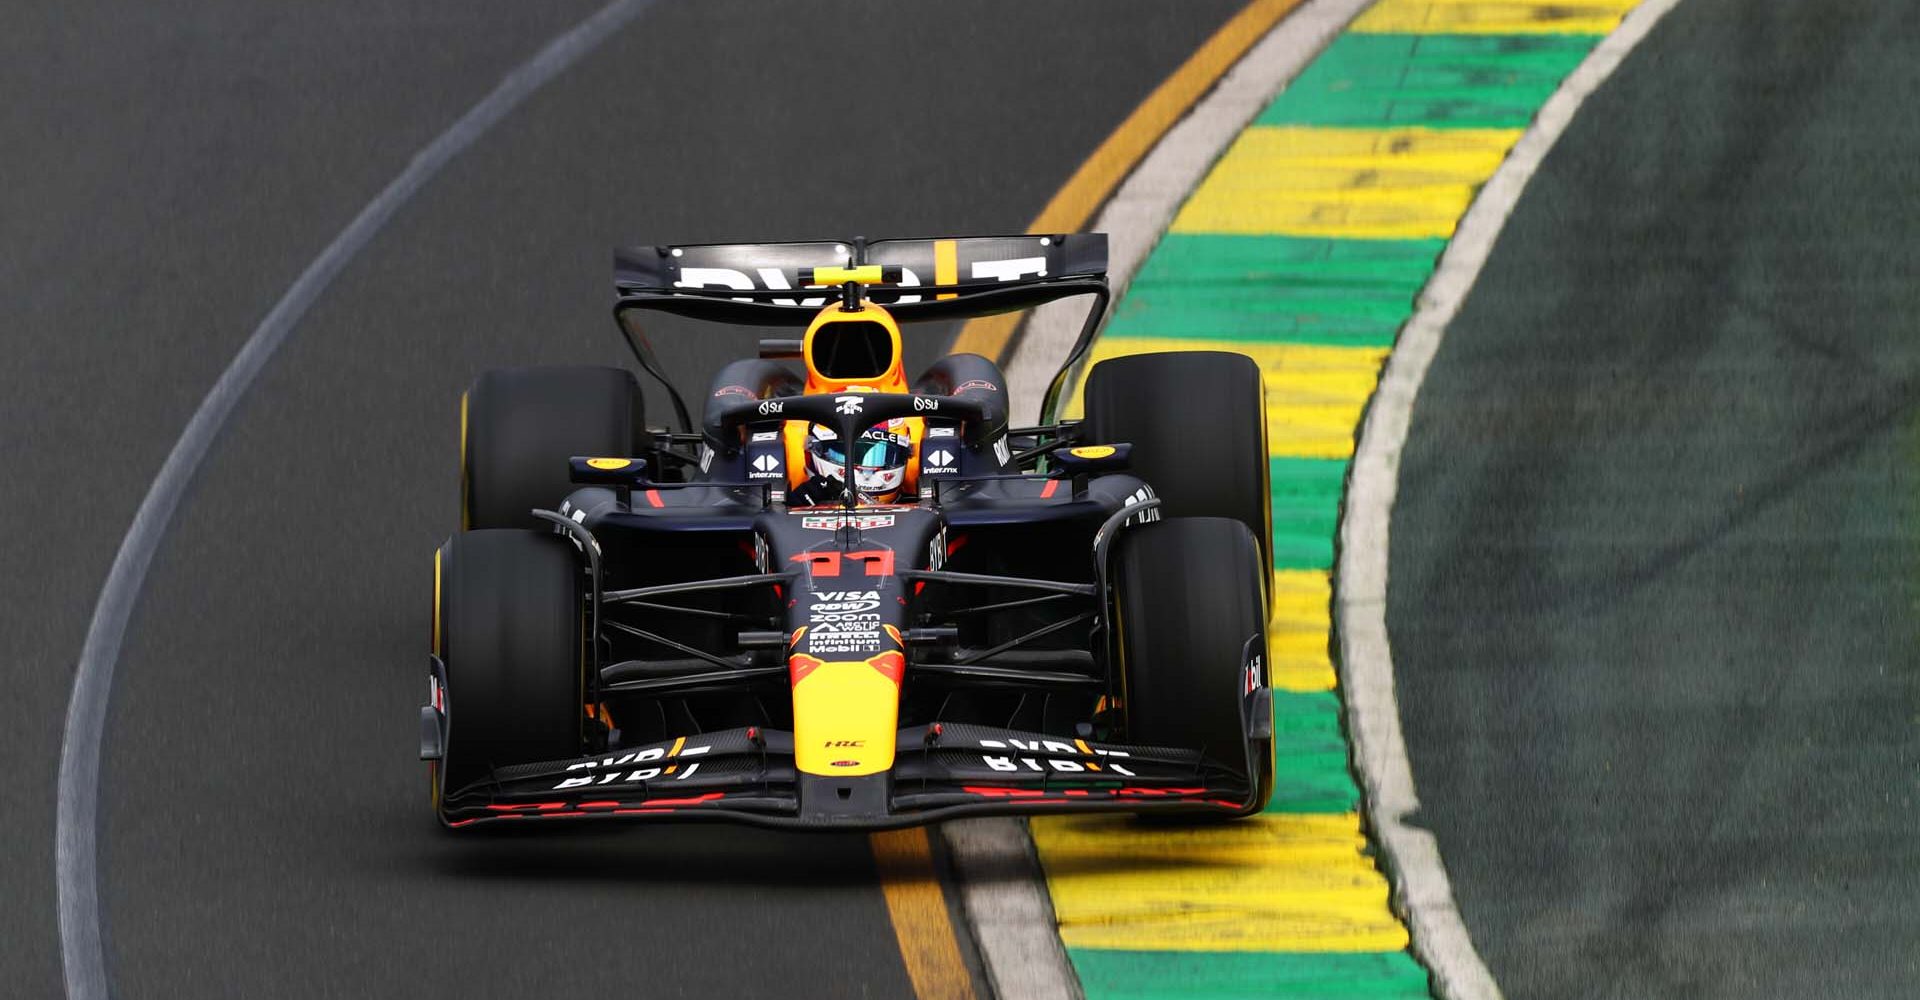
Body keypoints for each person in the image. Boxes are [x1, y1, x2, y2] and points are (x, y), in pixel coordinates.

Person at [788, 420, 913, 506]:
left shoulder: (916, 511)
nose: (866, 472)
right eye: (845, 454)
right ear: (814, 451)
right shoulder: (803, 500)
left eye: (879, 456)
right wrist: (796, 508)